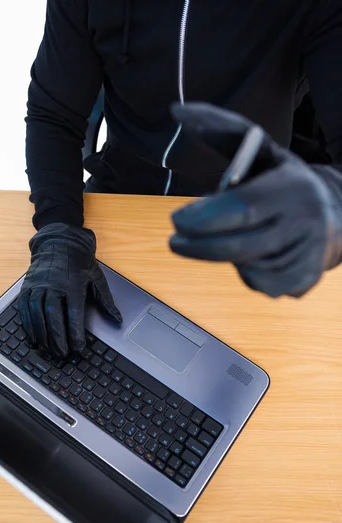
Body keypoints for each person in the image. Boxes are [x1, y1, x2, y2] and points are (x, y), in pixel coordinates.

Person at [19, 0, 342, 358]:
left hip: (250, 211)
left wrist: (331, 205)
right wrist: (57, 232)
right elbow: (54, 114)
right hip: (120, 192)